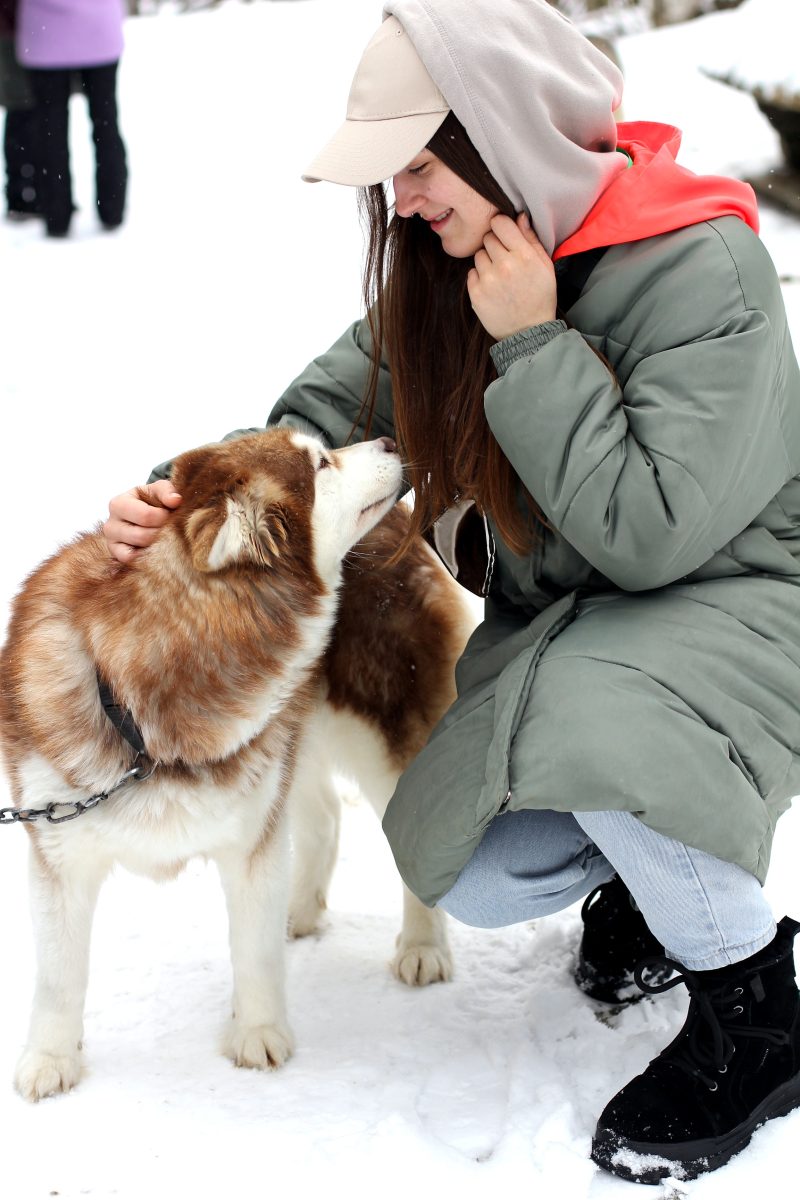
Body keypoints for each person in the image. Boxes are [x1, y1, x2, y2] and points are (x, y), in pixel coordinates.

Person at [103, 0, 800, 1184]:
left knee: (599, 724)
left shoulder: (702, 264)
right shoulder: (444, 269)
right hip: (575, 639)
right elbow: (312, 422)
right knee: (467, 865)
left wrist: (532, 347)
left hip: (726, 608)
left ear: (503, 136)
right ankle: (641, 894)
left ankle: (758, 1010)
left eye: (420, 168)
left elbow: (646, 535)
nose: (404, 202)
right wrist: (181, 498)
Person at [16, 0, 127, 237]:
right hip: (99, 31)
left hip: (46, 36)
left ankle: (56, 215)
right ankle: (112, 208)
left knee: (50, 132)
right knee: (106, 123)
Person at [0, 0, 40, 218]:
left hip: (32, 29)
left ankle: (30, 191)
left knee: (29, 112)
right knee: (20, 110)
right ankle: (19, 195)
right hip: (13, 30)